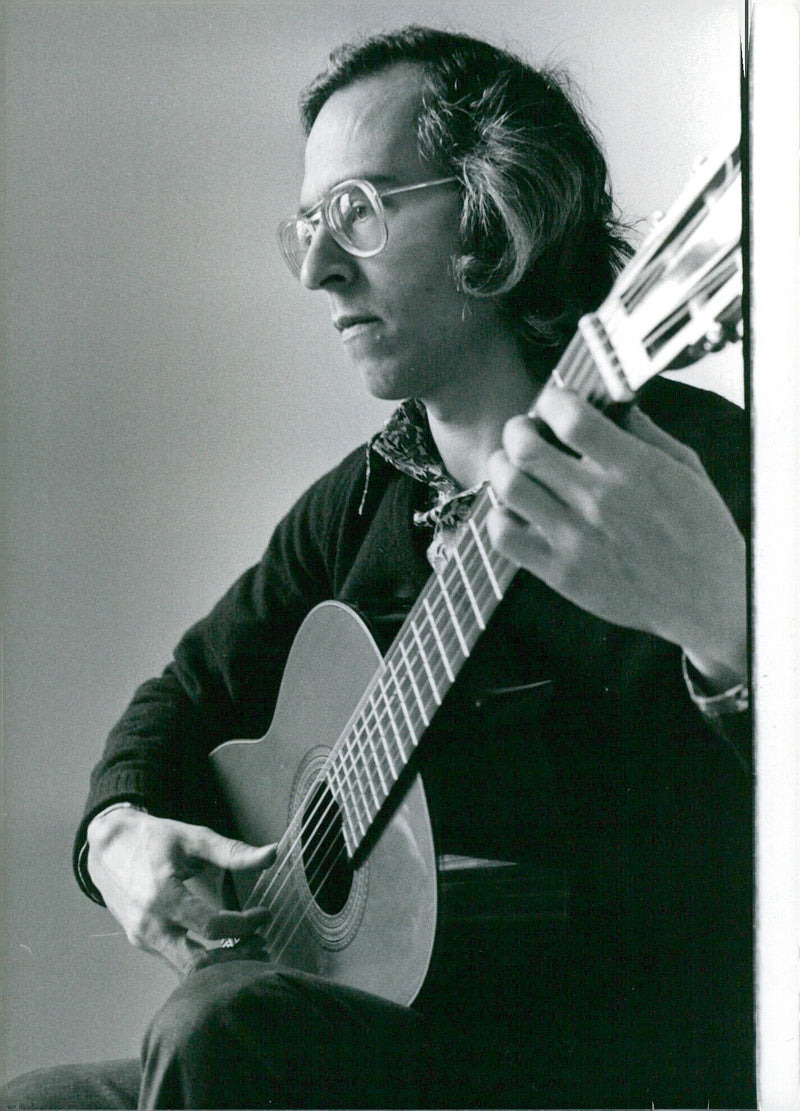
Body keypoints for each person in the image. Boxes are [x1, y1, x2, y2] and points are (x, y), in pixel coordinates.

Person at [3, 25, 753, 1110]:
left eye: (355, 211)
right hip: (381, 1043)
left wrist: (734, 631)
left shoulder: (690, 475)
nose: (315, 270)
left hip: (601, 1062)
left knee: (222, 1026)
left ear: (498, 210)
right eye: (305, 227)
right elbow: (178, 701)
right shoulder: (358, 504)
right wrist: (116, 833)